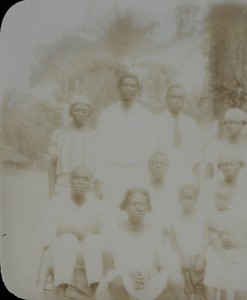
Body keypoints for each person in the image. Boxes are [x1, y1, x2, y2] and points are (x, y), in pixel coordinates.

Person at [97, 187, 185, 300]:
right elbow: (107, 269)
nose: (138, 208)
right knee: (116, 280)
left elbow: (154, 268)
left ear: (148, 207)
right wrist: (128, 274)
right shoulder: (111, 230)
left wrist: (147, 277)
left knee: (176, 280)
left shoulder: (155, 231)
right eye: (133, 203)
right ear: (125, 206)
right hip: (122, 281)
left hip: (147, 280)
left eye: (142, 204)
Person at [40, 165, 107, 299]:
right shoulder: (56, 203)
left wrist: (69, 228)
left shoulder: (99, 206)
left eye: (85, 179)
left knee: (92, 241)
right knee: (68, 240)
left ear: (92, 183)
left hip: (87, 252)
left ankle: (96, 294)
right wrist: (84, 231)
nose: (80, 182)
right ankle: (60, 295)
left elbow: (106, 237)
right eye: (76, 178)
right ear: (70, 180)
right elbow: (46, 237)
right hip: (61, 250)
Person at [95, 73, 155, 211]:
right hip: (110, 172)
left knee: (132, 210)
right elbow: (99, 149)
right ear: (119, 87)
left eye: (132, 86)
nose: (128, 89)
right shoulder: (107, 114)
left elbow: (149, 149)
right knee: (108, 210)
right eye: (125, 85)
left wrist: (145, 179)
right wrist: (99, 180)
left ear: (137, 89)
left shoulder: (145, 116)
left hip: (135, 173)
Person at [203, 150, 247, 300]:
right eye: (224, 164)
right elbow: (207, 218)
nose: (228, 168)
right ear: (219, 167)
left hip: (240, 241)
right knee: (213, 259)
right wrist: (220, 236)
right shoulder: (213, 188)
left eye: (232, 164)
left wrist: (236, 239)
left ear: (239, 166)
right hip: (217, 241)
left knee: (242, 261)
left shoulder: (246, 191)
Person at [204, 108, 247, 203]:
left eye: (236, 123)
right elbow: (208, 175)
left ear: (243, 125)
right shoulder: (214, 147)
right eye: (228, 122)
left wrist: (246, 193)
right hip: (219, 198)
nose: (231, 126)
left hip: (243, 198)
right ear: (224, 125)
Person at [48, 95, 96, 198]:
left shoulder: (95, 136)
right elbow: (53, 164)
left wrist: (98, 189)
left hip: (88, 189)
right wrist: (51, 190)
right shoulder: (58, 134)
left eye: (84, 111)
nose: (80, 113)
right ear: (70, 112)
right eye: (77, 110)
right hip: (63, 186)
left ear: (89, 114)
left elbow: (99, 166)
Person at [154, 84, 201, 185]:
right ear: (167, 99)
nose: (177, 101)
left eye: (181, 98)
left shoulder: (190, 123)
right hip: (163, 176)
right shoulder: (156, 121)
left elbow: (196, 156)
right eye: (174, 97)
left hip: (186, 175)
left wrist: (197, 182)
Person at [168, 184, 205, 300]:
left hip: (199, 259)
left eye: (191, 198)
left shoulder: (201, 216)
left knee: (199, 290)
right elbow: (172, 240)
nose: (187, 201)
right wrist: (182, 257)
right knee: (186, 290)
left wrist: (202, 258)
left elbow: (207, 238)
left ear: (196, 200)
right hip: (185, 260)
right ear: (179, 199)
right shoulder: (174, 219)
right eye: (184, 198)